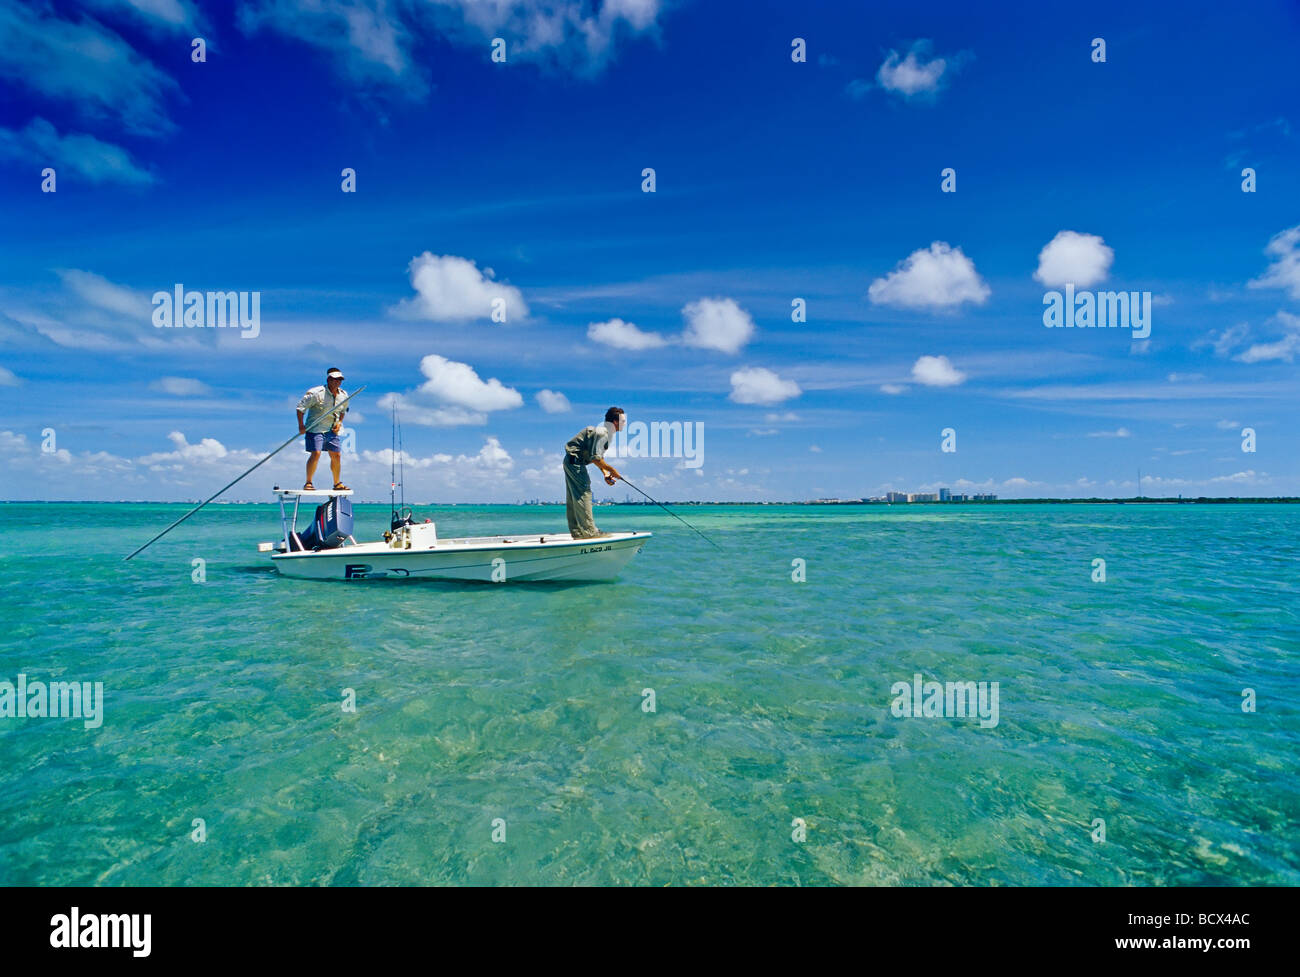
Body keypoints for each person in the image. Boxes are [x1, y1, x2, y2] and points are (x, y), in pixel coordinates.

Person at [563, 407, 625, 539]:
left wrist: (605, 473)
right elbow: (595, 458)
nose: (625, 424)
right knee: (584, 493)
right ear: (615, 422)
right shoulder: (602, 434)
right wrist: (613, 470)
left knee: (573, 497)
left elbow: (597, 457)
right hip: (575, 462)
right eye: (623, 421)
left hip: (571, 461)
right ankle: (590, 533)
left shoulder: (606, 434)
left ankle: (578, 533)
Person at [297, 368, 351, 490]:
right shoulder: (316, 393)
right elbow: (300, 408)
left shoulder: (343, 395)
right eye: (334, 379)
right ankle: (308, 482)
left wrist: (340, 422)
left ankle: (337, 483)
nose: (337, 382)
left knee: (336, 455)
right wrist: (301, 425)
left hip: (331, 430)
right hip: (315, 428)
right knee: (316, 453)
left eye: (339, 380)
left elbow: (343, 410)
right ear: (328, 380)